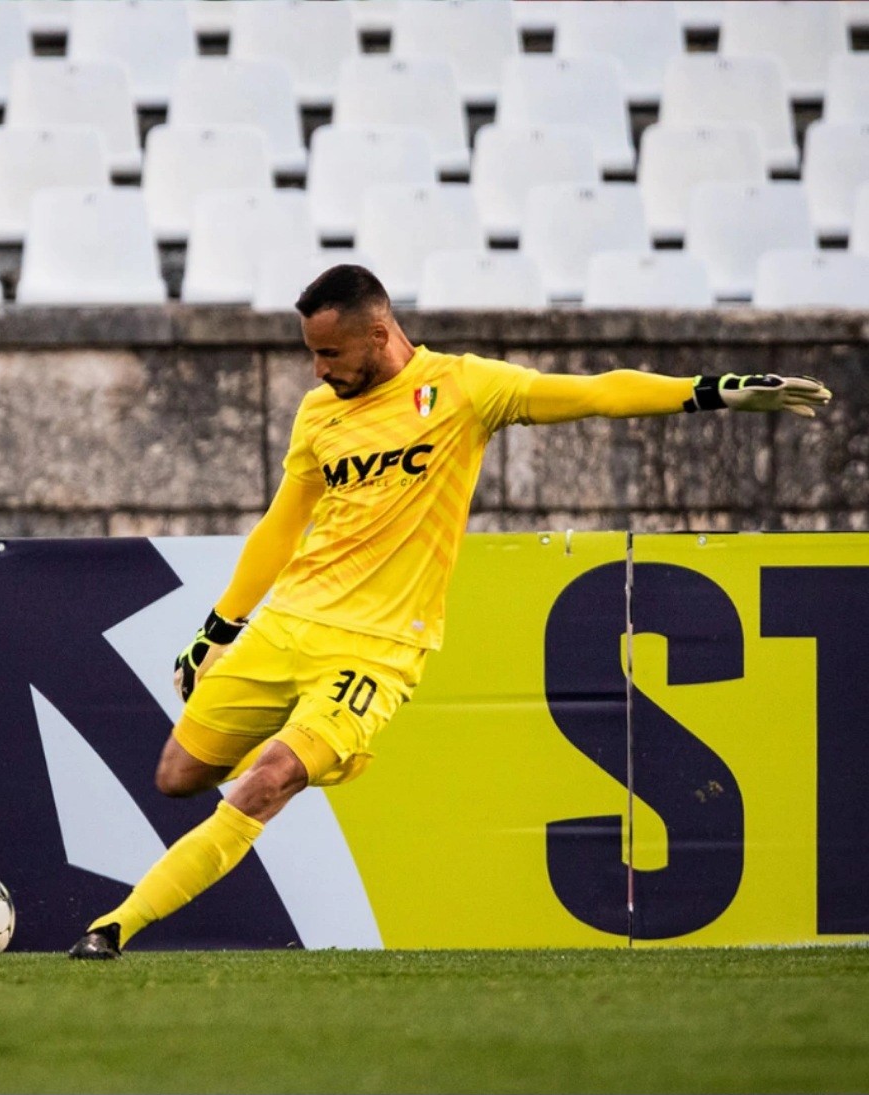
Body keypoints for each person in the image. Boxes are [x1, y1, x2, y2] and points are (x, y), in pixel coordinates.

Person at [68, 264, 831, 959]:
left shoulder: (464, 390)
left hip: (374, 652)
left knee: (268, 779)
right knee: (177, 775)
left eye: (330, 353)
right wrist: (218, 628)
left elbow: (594, 392)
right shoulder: (319, 413)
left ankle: (116, 926)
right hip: (286, 625)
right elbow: (282, 523)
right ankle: (328, 753)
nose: (318, 369)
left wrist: (709, 390)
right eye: (312, 354)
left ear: (379, 332)